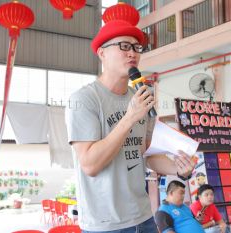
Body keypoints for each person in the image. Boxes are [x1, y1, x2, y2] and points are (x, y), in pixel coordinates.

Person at [65, 3, 195, 233]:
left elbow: (145, 154)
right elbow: (90, 164)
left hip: (143, 217)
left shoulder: (140, 97)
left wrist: (179, 168)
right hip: (105, 225)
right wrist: (129, 118)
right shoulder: (84, 100)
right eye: (124, 46)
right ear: (102, 53)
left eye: (137, 47)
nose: (132, 52)